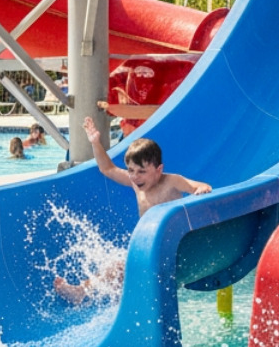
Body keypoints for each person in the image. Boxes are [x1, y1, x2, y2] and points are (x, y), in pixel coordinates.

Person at [54, 117, 212, 303]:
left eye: (142, 171)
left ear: (158, 169)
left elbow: (200, 186)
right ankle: (88, 292)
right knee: (117, 265)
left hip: (176, 246)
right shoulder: (136, 184)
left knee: (120, 266)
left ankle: (81, 293)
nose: (135, 177)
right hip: (150, 245)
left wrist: (200, 189)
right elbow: (107, 169)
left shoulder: (172, 182)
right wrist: (95, 142)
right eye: (131, 170)